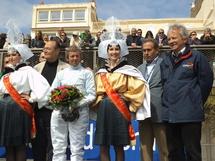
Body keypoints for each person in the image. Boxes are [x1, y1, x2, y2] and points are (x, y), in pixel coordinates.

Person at [90, 16, 150, 161]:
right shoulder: (101, 72)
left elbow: (139, 87)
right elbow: (96, 91)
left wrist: (127, 96)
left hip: (120, 108)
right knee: (103, 145)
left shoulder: (128, 69)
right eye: (111, 49)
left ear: (120, 50)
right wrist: (101, 99)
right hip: (104, 109)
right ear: (107, 51)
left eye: (117, 49)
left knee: (118, 146)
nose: (114, 52)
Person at [161, 23, 213, 161]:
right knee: (173, 153)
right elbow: (163, 83)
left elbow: (206, 82)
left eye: (174, 38)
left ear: (184, 39)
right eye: (169, 38)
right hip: (170, 115)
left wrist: (194, 101)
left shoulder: (196, 56)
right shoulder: (165, 60)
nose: (171, 41)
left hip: (190, 114)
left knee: (193, 153)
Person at [0, 19, 50, 161]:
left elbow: (43, 88)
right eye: (8, 55)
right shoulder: (7, 74)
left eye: (14, 54)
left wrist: (32, 98)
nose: (10, 57)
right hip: (5, 108)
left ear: (21, 56)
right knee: (8, 145)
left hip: (19, 109)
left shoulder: (28, 70)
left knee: (19, 144)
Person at [50, 45, 96, 161]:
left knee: (77, 148)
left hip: (79, 112)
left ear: (80, 57)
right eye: (72, 56)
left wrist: (75, 104)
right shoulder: (61, 73)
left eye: (77, 56)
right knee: (58, 147)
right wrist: (61, 102)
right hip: (60, 112)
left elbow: (91, 95)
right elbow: (52, 93)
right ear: (67, 58)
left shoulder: (87, 73)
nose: (74, 58)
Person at [32, 40, 69, 161]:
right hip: (38, 112)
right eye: (44, 48)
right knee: (38, 145)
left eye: (48, 48)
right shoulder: (36, 68)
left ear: (57, 51)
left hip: (56, 113)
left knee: (55, 146)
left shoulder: (66, 69)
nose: (45, 50)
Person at [137, 38, 168, 161]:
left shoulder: (165, 65)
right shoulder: (139, 69)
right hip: (143, 114)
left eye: (149, 50)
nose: (146, 53)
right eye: (144, 50)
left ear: (157, 50)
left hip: (160, 113)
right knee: (145, 151)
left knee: (165, 150)